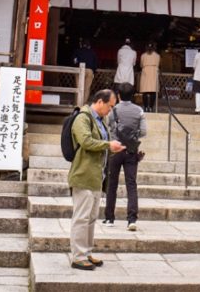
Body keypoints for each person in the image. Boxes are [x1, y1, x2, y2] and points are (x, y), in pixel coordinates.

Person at [68, 88, 124, 271]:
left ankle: (86, 252)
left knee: (91, 218)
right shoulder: (82, 118)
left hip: (96, 176)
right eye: (110, 106)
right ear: (100, 102)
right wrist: (108, 145)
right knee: (81, 217)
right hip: (83, 174)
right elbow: (86, 141)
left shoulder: (101, 120)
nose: (111, 110)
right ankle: (78, 256)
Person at [103, 83, 147, 230]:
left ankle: (109, 218)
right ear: (133, 94)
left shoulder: (112, 110)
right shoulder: (139, 111)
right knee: (131, 185)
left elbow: (108, 126)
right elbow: (143, 132)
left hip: (115, 149)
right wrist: (132, 135)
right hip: (131, 151)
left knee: (112, 183)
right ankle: (132, 219)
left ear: (119, 95)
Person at [72, 39, 98, 103]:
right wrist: (93, 71)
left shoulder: (77, 51)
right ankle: (83, 103)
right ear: (89, 46)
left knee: (78, 87)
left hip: (79, 70)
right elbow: (96, 64)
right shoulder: (92, 52)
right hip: (89, 70)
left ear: (81, 45)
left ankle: (77, 103)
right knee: (87, 88)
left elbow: (74, 61)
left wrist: (76, 66)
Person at [138, 43, 160, 112]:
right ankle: (150, 107)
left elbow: (141, 65)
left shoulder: (143, 55)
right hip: (153, 72)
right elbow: (158, 64)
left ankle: (145, 107)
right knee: (153, 91)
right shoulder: (157, 56)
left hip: (146, 72)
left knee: (145, 91)